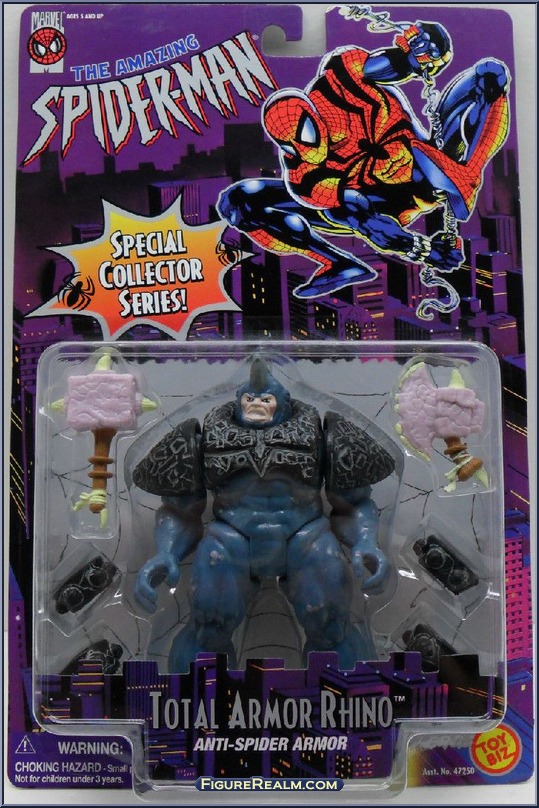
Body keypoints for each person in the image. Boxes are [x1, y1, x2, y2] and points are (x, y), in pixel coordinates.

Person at [133, 358, 396, 672]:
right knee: (209, 626)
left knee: (330, 624)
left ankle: (345, 693)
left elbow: (353, 502)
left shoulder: (320, 435)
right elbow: (180, 509)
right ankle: (195, 696)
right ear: (238, 402)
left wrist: (365, 542)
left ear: (283, 404)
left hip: (305, 538)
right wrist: (167, 552)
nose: (256, 404)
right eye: (249, 399)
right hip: (230, 540)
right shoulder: (206, 437)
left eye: (266, 399)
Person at [218, 22, 509, 297]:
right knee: (239, 201)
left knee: (490, 74)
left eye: (305, 134)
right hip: (389, 201)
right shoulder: (302, 175)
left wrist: (422, 49)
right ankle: (336, 263)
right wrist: (425, 251)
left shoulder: (337, 79)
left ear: (312, 112)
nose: (308, 149)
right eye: (292, 146)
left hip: (425, 159)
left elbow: (393, 65)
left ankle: (468, 174)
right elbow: (360, 216)